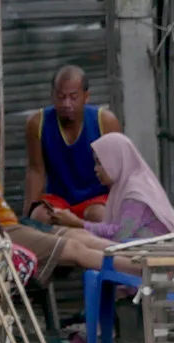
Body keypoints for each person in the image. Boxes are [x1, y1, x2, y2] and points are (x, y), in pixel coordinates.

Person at [0, 92, 111, 274]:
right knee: (75, 248)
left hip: (14, 225)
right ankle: (136, 268)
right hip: (0, 233)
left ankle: (136, 254)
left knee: (81, 236)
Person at [25, 65, 122, 227]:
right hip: (58, 199)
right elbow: (36, 170)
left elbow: (117, 172)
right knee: (39, 217)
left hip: (96, 200)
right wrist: (28, 215)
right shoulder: (37, 123)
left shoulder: (105, 121)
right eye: (61, 97)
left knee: (101, 216)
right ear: (52, 96)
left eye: (73, 97)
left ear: (86, 96)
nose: (66, 104)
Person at [82, 132, 174, 242]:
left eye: (100, 163)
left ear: (116, 159)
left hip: (156, 251)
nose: (96, 169)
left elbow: (120, 235)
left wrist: (80, 224)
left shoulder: (135, 193)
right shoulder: (124, 185)